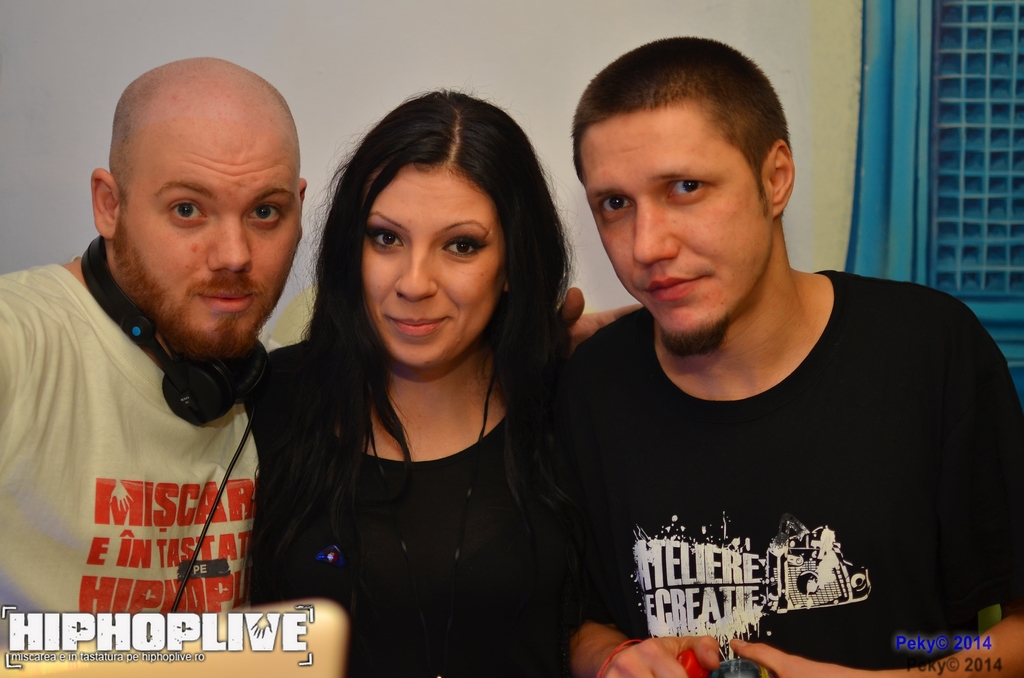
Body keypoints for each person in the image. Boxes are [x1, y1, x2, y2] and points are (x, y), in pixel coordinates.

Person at [558, 38, 1024, 676]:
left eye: (686, 187)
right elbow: (567, 622)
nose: (647, 246)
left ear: (774, 178)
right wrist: (612, 658)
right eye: (615, 204)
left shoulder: (927, 351)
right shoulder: (589, 388)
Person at [249, 90, 586, 677]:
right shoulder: (263, 403)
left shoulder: (572, 409)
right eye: (386, 238)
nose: (413, 282)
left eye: (461, 245)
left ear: (513, 263)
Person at [0, 58, 305, 614]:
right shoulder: (18, 340)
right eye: (187, 209)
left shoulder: (282, 385)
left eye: (265, 211)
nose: (234, 255)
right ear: (109, 205)